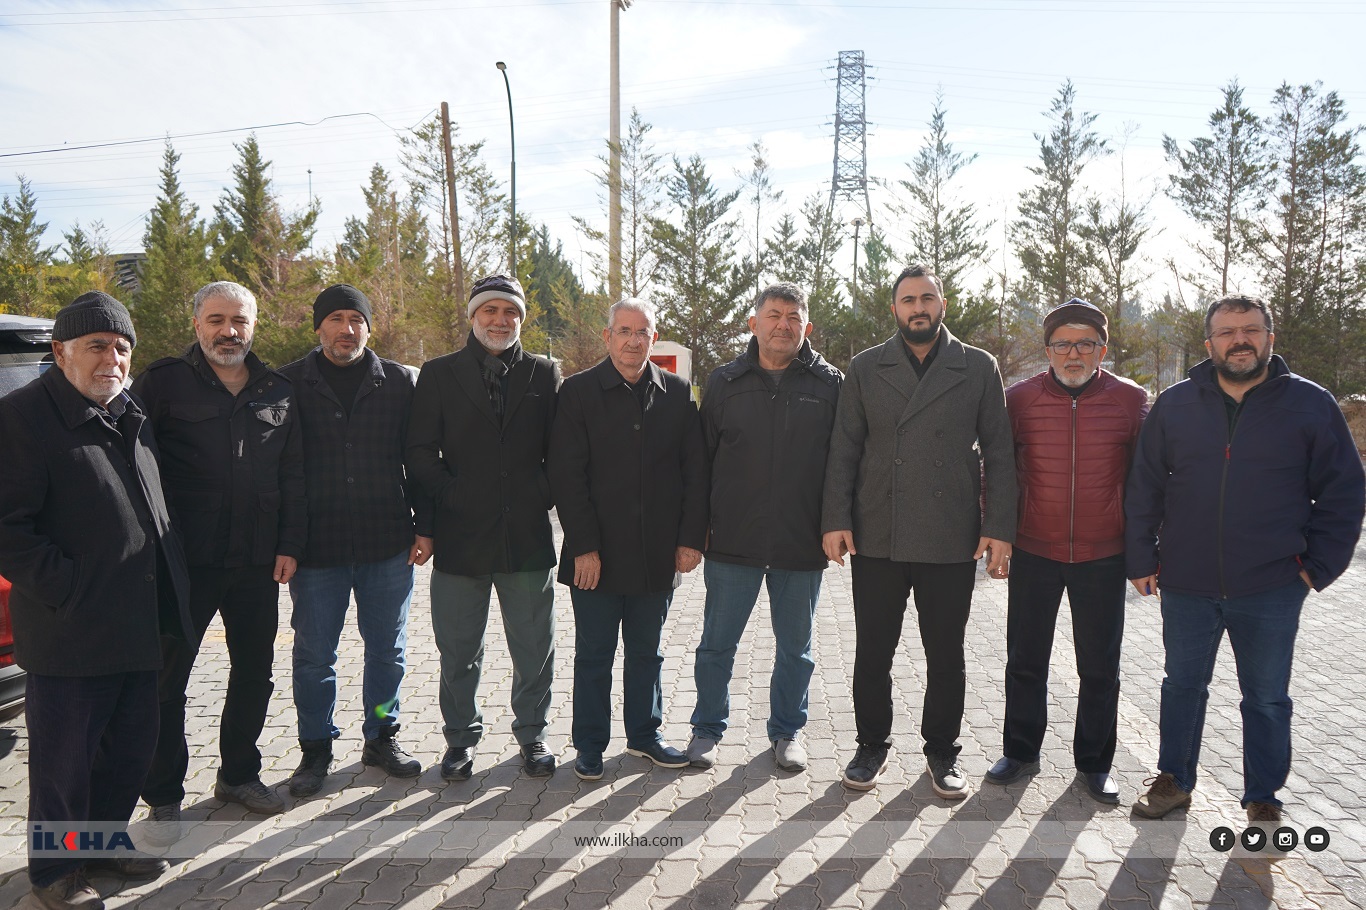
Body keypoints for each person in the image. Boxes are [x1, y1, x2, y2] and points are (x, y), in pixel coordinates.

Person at [1127, 294, 1364, 824]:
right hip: (1186, 581)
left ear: (1269, 338)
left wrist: (1315, 568)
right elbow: (1144, 485)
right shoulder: (1176, 404)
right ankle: (1173, 780)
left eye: (1251, 330)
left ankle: (1263, 796)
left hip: (1273, 584)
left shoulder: (1310, 404)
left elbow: (1344, 492)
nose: (1240, 340)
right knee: (1182, 686)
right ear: (1208, 342)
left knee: (1266, 697)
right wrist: (1141, 556)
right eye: (1227, 331)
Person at [0, 292, 191, 909]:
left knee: (128, 751)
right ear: (60, 353)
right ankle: (55, 876)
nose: (111, 358)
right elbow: (8, 528)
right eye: (96, 346)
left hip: (138, 625)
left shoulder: (128, 413)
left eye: (120, 347)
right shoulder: (22, 418)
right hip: (71, 631)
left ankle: (103, 845)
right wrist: (69, 589)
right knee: (64, 769)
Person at [822, 264, 1016, 797]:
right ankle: (870, 746)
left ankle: (942, 752)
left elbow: (1000, 451)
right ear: (894, 309)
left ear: (943, 304)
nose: (918, 308)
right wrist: (836, 519)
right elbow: (844, 448)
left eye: (927, 298)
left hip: (951, 532)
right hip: (877, 530)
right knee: (873, 650)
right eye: (908, 300)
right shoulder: (866, 367)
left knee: (946, 655)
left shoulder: (978, 366)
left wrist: (999, 527)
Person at [134, 281, 307, 839]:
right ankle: (162, 795)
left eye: (238, 320)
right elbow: (133, 465)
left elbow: (293, 476)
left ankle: (239, 774)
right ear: (196, 324)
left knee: (255, 672)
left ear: (253, 326)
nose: (228, 331)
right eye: (216, 320)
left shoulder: (277, 389)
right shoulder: (162, 384)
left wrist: (289, 545)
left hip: (257, 561)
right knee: (168, 680)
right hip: (184, 562)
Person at [987, 299, 1147, 804]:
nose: (1073, 353)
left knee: (1099, 666)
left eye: (1085, 343)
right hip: (1035, 549)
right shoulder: (1018, 399)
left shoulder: (1131, 400)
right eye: (1062, 343)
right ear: (1048, 349)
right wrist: (999, 536)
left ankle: (1095, 763)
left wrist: (1146, 550)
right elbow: (998, 470)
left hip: (1103, 555)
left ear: (1102, 348)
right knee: (1026, 659)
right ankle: (1019, 750)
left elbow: (1147, 480)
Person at [278, 284, 433, 797]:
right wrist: (286, 541)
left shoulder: (398, 384)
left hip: (386, 545)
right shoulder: (288, 385)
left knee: (387, 653)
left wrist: (425, 525)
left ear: (369, 326)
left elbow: (420, 459)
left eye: (357, 319)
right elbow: (280, 471)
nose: (348, 329)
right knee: (314, 656)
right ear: (318, 326)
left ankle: (383, 735)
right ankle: (314, 749)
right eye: (337, 319)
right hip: (316, 551)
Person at [406, 274, 562, 780]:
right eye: (490, 310)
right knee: (458, 650)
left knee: (534, 647)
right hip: (460, 539)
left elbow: (560, 453)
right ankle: (459, 741)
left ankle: (533, 736)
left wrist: (539, 494)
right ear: (473, 316)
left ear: (521, 318)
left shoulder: (544, 373)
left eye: (510, 312)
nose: (501, 320)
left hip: (527, 540)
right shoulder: (438, 374)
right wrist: (453, 500)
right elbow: (420, 453)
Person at [548, 297, 708, 781]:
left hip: (655, 555)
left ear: (653, 338)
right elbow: (566, 476)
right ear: (608, 336)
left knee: (647, 652)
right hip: (593, 557)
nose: (633, 340)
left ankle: (645, 736)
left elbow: (695, 473)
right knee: (594, 656)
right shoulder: (576, 393)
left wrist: (689, 540)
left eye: (643, 332)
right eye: (624, 330)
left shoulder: (678, 393)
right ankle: (590, 746)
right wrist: (583, 546)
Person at [686, 282, 842, 773]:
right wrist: (695, 531)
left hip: (800, 542)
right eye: (774, 315)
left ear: (807, 327)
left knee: (796, 650)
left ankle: (787, 732)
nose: (783, 324)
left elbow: (844, 462)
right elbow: (700, 462)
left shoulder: (830, 384)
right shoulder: (725, 382)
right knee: (716, 645)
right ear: (754, 323)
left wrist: (836, 525)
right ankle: (707, 729)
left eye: (794, 317)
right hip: (733, 541)